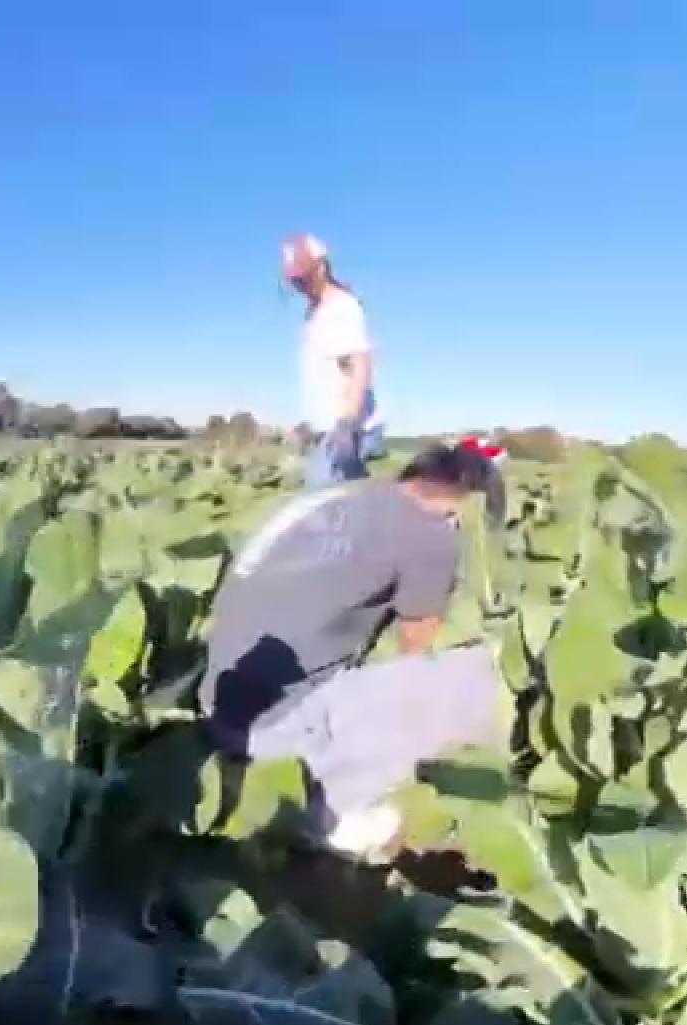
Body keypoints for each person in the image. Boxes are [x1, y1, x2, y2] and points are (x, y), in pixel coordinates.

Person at [199, 442, 508, 863]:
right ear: (463, 501)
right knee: (482, 675)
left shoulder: (338, 494)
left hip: (218, 701)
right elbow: (418, 646)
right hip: (284, 732)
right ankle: (334, 813)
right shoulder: (431, 534)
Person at [283, 234, 380, 488]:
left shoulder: (341, 308)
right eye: (294, 280)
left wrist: (347, 425)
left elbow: (360, 364)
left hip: (341, 430)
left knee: (326, 513)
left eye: (302, 277)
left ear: (321, 267)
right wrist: (308, 423)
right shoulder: (316, 311)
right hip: (328, 430)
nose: (298, 285)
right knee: (343, 510)